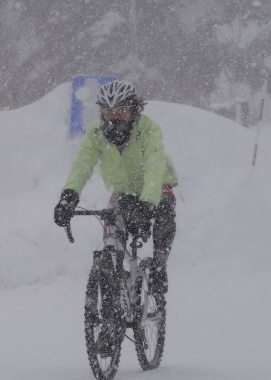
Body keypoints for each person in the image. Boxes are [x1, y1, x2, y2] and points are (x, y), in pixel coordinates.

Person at [54, 80, 178, 295]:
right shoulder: (95, 134)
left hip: (156, 187)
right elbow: (82, 165)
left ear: (133, 109)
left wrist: (148, 203)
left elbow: (154, 166)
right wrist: (69, 196)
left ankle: (159, 267)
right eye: (108, 111)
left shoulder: (148, 129)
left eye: (121, 110)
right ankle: (114, 286)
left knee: (164, 210)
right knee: (112, 234)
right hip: (123, 192)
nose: (115, 117)